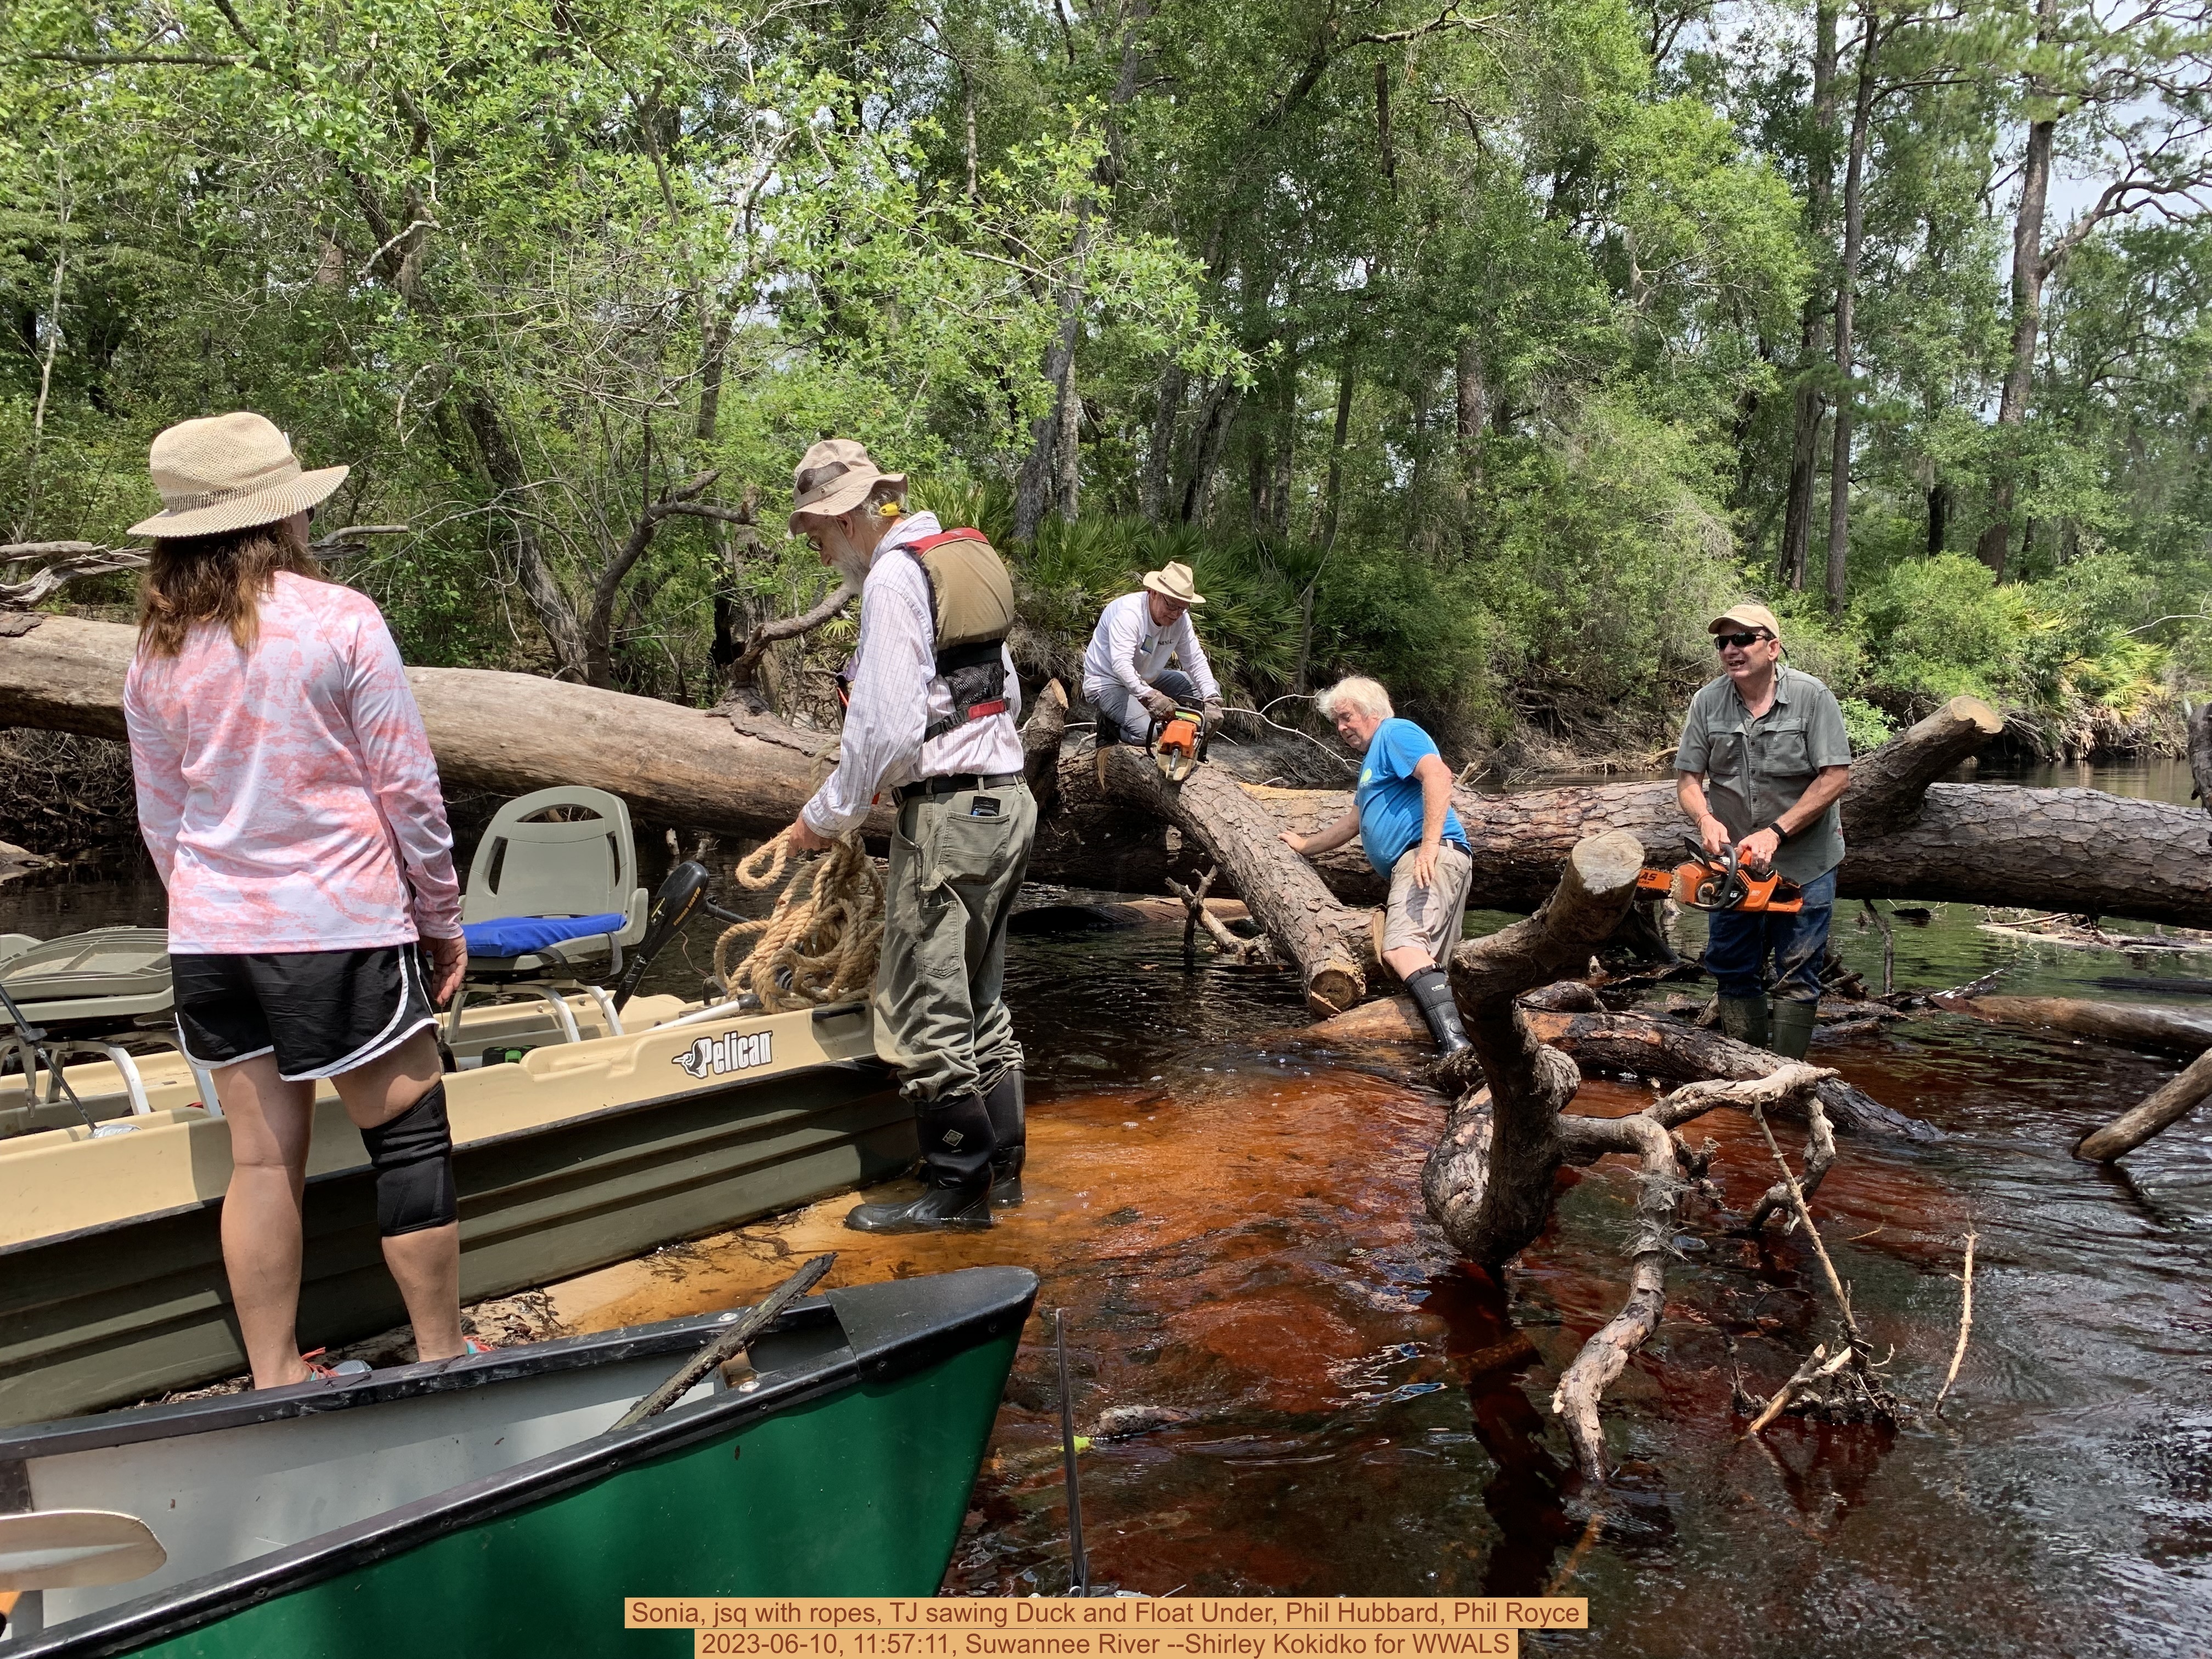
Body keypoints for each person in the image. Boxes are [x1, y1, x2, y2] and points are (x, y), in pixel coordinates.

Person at [122, 411, 472, 1389]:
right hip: (339, 924)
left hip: (211, 935)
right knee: (406, 1140)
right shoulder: (339, 618)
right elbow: (407, 786)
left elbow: (163, 818)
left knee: (263, 1164)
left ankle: (277, 1374)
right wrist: (441, 915)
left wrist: (206, 909)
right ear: (282, 516)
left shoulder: (153, 649)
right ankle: (442, 1353)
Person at [780, 439, 1037, 1234]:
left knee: (922, 1005)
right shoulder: (954, 557)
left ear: (849, 516)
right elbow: (1008, 691)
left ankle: (956, 1190)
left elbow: (884, 730)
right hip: (1007, 800)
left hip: (953, 818)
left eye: (819, 537)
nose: (824, 555)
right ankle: (1005, 1175)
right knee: (979, 1000)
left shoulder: (893, 578)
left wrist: (822, 820)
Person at [1673, 602, 1853, 1060]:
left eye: (1743, 640)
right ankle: (1747, 1073)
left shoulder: (1813, 697)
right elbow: (1689, 780)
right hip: (1734, 868)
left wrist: (1777, 832)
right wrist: (1705, 819)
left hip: (1805, 862)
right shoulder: (1707, 702)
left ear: (1772, 648)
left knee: (1797, 973)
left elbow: (1835, 777)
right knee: (1732, 967)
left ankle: (1788, 1077)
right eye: (1723, 642)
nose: (1731, 650)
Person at [1278, 676, 1473, 1058]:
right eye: (1337, 722)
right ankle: (1455, 1053)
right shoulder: (1374, 761)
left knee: (1400, 949)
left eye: (1346, 717)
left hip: (1425, 856)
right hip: (1427, 857)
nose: (1341, 728)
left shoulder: (1395, 732)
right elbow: (1353, 822)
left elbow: (1438, 775)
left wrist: (1429, 848)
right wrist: (1304, 846)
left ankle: (1458, 1050)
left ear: (1371, 712)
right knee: (1429, 965)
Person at [1081, 562, 1224, 759]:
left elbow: (1195, 660)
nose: (1176, 614)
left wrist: (1212, 699)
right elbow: (1121, 665)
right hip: (1107, 682)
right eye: (1172, 605)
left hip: (1144, 678)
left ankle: (1191, 747)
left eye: (1183, 607)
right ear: (1153, 592)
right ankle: (1109, 725)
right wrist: (1151, 696)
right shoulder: (1129, 614)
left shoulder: (1181, 619)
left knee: (1209, 689)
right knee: (1147, 734)